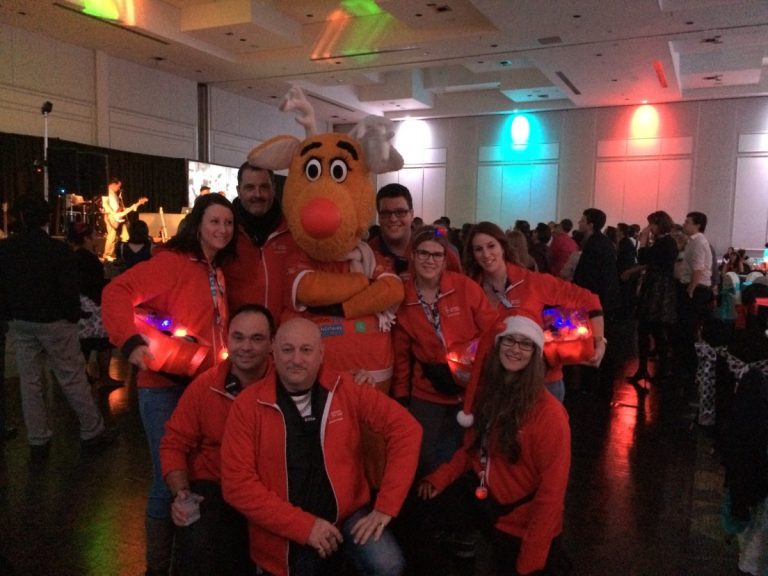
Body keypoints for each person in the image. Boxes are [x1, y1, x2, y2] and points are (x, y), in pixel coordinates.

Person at [221, 317, 422, 576]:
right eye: (287, 349)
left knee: (389, 564)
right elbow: (237, 485)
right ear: (273, 351)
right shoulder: (249, 405)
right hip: (284, 526)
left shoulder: (345, 387)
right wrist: (305, 527)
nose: (296, 359)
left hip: (347, 514)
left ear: (321, 353)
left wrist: (386, 506)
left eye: (306, 350)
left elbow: (406, 429)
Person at [103, 193, 237, 576]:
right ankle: (156, 569)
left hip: (203, 385)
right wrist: (128, 342)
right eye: (214, 222)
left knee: (192, 476)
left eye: (228, 223)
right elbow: (116, 292)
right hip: (163, 386)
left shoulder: (216, 270)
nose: (222, 229)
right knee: (167, 478)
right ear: (197, 224)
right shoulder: (173, 264)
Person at [413, 314, 571, 576]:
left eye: (525, 344)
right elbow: (473, 448)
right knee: (418, 510)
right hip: (490, 506)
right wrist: (439, 479)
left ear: (535, 354)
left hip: (523, 526)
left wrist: (530, 565)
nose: (515, 349)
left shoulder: (549, 416)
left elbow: (551, 496)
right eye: (509, 341)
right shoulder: (491, 392)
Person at [160, 304, 275, 576]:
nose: (246, 346)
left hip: (269, 487)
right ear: (227, 339)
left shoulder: (288, 383)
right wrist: (181, 494)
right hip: (215, 484)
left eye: (256, 339)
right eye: (238, 337)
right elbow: (174, 443)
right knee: (196, 540)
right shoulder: (205, 385)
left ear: (272, 344)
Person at [0, 194, 112, 457]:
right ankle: (92, 431)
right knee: (72, 377)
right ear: (47, 219)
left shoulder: (6, 249)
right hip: (56, 323)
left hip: (21, 321)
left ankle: (38, 439)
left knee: (30, 382)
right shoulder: (59, 250)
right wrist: (73, 317)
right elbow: (68, 290)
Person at [391, 226, 497, 477]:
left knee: (466, 452)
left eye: (436, 254)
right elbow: (402, 354)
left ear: (445, 258)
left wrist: (471, 361)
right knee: (424, 456)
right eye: (423, 253)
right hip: (427, 390)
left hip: (469, 387)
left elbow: (492, 330)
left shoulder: (464, 287)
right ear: (413, 256)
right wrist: (401, 396)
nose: (430, 260)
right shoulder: (403, 297)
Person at [463, 221, 604, 404]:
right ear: (472, 255)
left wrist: (600, 342)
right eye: (478, 249)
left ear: (503, 247)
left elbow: (589, 300)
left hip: (541, 383)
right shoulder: (470, 288)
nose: (486, 254)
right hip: (496, 384)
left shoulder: (532, 282)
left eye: (491, 246)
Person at [222, 161, 296, 322]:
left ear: (274, 189)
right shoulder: (224, 234)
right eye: (249, 187)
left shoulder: (294, 232)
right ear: (239, 191)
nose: (257, 194)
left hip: (284, 337)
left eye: (264, 187)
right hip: (241, 339)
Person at [67, 222, 122, 393]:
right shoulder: (88, 258)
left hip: (80, 305)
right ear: (86, 238)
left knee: (83, 343)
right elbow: (95, 284)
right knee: (103, 343)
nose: (97, 238)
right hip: (94, 304)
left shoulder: (73, 256)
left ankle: (82, 377)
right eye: (94, 235)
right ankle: (104, 377)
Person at [624, 211, 678, 384]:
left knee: (650, 329)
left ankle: (652, 370)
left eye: (651, 225)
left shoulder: (665, 243)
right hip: (658, 289)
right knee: (653, 330)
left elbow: (644, 257)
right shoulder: (667, 242)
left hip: (657, 290)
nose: (649, 228)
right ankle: (654, 369)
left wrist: (644, 240)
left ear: (657, 224)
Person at [573, 208, 621, 396]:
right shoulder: (604, 242)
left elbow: (587, 276)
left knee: (595, 338)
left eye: (582, 220)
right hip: (607, 299)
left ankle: (591, 383)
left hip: (598, 301)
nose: (579, 223)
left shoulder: (594, 245)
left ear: (590, 224)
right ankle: (600, 381)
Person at [369, 183, 461, 279]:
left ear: (412, 214)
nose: (393, 219)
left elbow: (460, 287)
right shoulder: (367, 253)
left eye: (400, 212)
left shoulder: (438, 249)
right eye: (386, 213)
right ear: (379, 217)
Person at [672, 211, 713, 382]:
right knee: (685, 330)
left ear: (697, 225)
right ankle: (688, 369)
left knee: (687, 330)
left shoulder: (697, 243)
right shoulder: (693, 242)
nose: (684, 224)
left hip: (696, 290)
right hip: (696, 288)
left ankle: (689, 370)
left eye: (688, 222)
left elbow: (698, 269)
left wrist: (690, 289)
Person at [102, 177, 147, 261]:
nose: (119, 188)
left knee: (115, 236)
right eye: (118, 186)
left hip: (116, 215)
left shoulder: (115, 194)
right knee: (111, 235)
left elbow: (120, 208)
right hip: (111, 215)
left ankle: (112, 253)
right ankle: (107, 254)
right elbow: (105, 205)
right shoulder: (106, 192)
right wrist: (114, 214)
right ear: (113, 184)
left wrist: (137, 203)